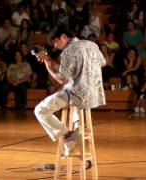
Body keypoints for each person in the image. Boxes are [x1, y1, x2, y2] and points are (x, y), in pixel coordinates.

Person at [34, 26, 106, 156]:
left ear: (63, 37)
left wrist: (48, 67)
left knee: (40, 110)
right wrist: (49, 60)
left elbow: (62, 80)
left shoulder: (68, 51)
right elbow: (102, 63)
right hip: (95, 93)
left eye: (55, 42)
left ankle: (68, 136)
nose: (55, 46)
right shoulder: (91, 44)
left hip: (76, 94)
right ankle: (77, 129)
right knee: (74, 101)